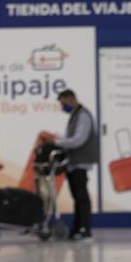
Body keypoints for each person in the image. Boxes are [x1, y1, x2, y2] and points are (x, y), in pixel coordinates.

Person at [45, 89, 97, 241]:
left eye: (63, 104)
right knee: (77, 197)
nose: (63, 107)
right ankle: (77, 228)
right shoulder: (75, 115)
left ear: (71, 99)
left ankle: (85, 230)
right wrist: (58, 138)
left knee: (81, 197)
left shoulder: (83, 116)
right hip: (73, 163)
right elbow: (71, 138)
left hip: (80, 163)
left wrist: (56, 142)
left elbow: (78, 140)